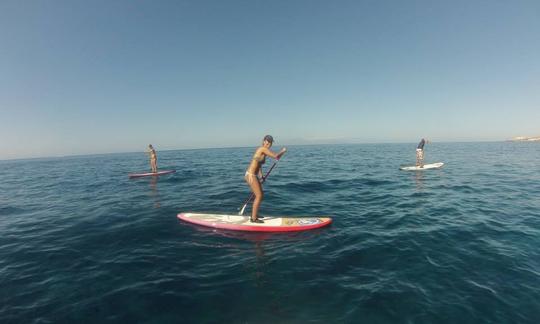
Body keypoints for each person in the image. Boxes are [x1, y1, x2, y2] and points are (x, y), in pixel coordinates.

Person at [245, 135, 286, 223]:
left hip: (254, 175)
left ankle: (254, 214)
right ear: (264, 141)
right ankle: (253, 218)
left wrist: (261, 176)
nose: (269, 143)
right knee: (259, 196)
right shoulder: (262, 149)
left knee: (261, 195)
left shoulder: (263, 152)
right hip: (250, 175)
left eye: (270, 142)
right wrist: (282, 151)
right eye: (267, 141)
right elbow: (276, 156)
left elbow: (259, 165)